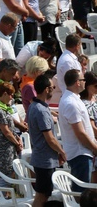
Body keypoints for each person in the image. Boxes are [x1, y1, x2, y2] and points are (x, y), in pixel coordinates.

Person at [28, 74, 67, 207]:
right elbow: (50, 138)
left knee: (43, 194)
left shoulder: (35, 106)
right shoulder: (41, 110)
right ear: (46, 89)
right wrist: (61, 152)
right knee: (42, 196)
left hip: (42, 159)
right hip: (44, 161)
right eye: (53, 87)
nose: (54, 89)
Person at [59, 68, 97, 186]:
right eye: (83, 79)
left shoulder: (73, 99)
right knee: (82, 191)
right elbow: (80, 133)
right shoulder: (71, 103)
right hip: (80, 153)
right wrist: (95, 149)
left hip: (82, 152)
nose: (85, 82)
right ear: (78, 82)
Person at [0, 81, 23, 181]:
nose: (12, 98)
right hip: (3, 148)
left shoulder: (3, 107)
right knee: (5, 176)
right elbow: (6, 131)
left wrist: (17, 139)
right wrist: (17, 143)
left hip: (9, 145)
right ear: (4, 94)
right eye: (11, 95)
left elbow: (11, 129)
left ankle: (10, 194)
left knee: (12, 173)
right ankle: (3, 195)